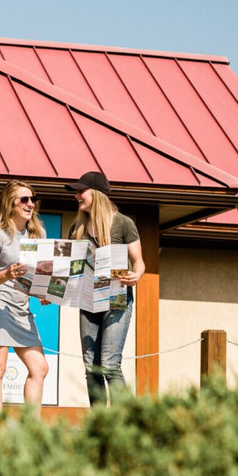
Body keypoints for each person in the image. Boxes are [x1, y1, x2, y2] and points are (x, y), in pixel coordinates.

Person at [66, 170, 145, 405]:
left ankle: (127, 425)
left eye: (81, 191)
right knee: (92, 367)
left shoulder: (123, 223)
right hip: (87, 301)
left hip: (116, 299)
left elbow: (139, 261)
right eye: (76, 192)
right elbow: (71, 270)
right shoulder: (77, 228)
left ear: (97, 194)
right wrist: (52, 291)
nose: (77, 195)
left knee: (109, 366)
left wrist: (137, 274)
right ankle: (101, 426)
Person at [0, 180, 50, 414]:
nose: (30, 204)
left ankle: (31, 427)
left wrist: (43, 293)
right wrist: (6, 273)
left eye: (33, 199)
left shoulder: (37, 234)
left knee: (40, 368)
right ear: (10, 203)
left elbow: (36, 276)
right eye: (24, 199)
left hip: (21, 309)